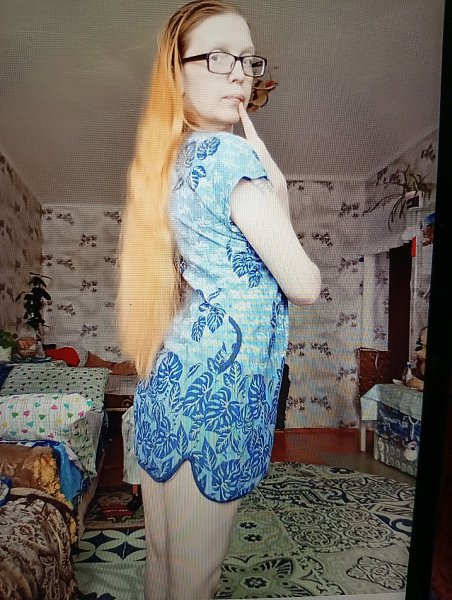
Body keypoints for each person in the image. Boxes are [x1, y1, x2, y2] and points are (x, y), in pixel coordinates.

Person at [116, 1, 321, 598]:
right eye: (217, 57)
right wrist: (278, 191)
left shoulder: (169, 162)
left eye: (247, 59)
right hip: (216, 395)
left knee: (162, 560)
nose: (239, 73)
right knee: (195, 577)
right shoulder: (231, 158)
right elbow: (305, 284)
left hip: (168, 384)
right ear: (176, 73)